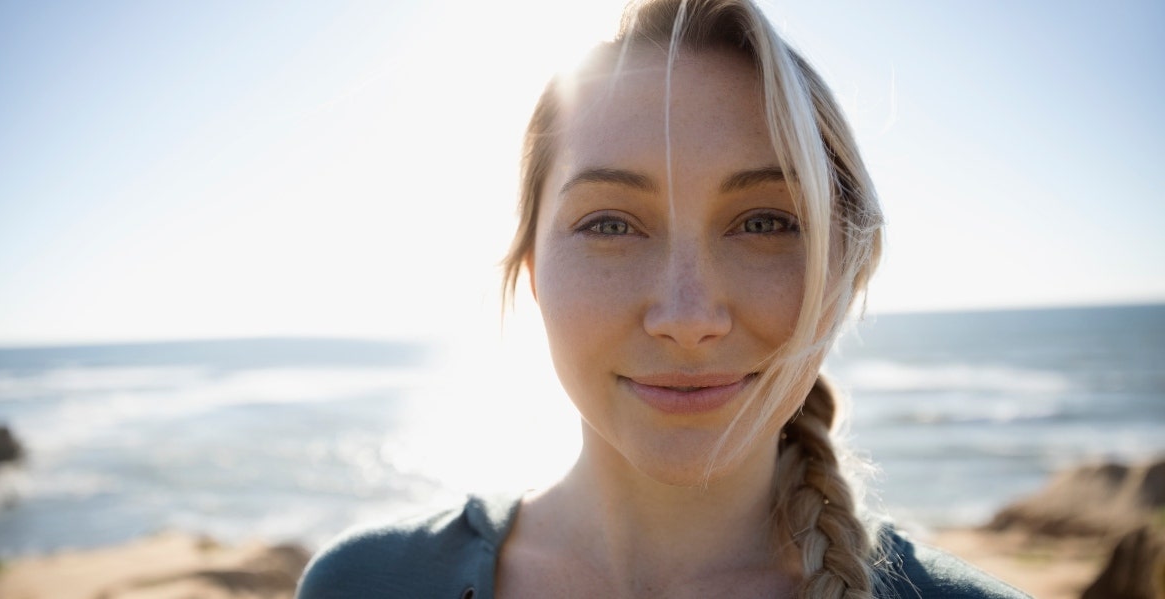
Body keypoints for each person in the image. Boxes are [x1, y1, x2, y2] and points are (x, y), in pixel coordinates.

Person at [297, 0, 1030, 597]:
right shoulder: (363, 585)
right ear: (530, 271)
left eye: (765, 222)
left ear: (849, 268)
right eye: (610, 223)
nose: (687, 317)